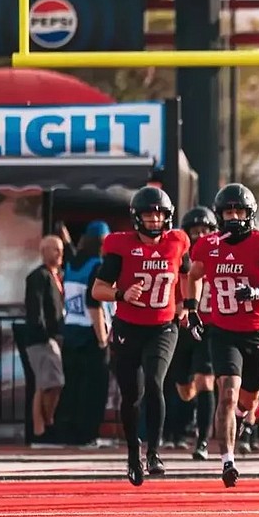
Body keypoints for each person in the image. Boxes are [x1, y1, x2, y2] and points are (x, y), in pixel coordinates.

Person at [186, 183, 259, 488]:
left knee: (247, 400)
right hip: (223, 331)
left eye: (239, 211)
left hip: (255, 331)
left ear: (249, 214)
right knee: (228, 394)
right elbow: (192, 276)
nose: (233, 216)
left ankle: (246, 420)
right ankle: (227, 460)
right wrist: (191, 309)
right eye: (228, 211)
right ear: (219, 215)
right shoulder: (208, 246)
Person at [92, 187, 192, 486]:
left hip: (163, 327)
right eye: (148, 214)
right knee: (131, 396)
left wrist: (187, 305)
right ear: (137, 217)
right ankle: (134, 453)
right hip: (128, 327)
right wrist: (122, 293)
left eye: (159, 214)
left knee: (154, 382)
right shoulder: (120, 246)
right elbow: (98, 289)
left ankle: (154, 452)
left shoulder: (177, 242)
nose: (154, 219)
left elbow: (187, 274)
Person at [168, 207, 219, 461]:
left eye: (205, 231)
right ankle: (177, 431)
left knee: (204, 381)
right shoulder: (177, 256)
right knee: (184, 389)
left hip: (207, 325)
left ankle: (202, 441)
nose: (200, 235)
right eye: (195, 231)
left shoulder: (219, 254)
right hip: (182, 327)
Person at [57, 221, 112, 447]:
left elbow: (69, 248)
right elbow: (95, 304)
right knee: (95, 388)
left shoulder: (71, 264)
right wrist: (102, 339)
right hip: (92, 333)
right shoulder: (98, 267)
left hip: (71, 332)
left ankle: (70, 432)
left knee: (73, 386)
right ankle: (88, 434)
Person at [23, 236, 67, 440]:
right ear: (44, 251)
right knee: (50, 382)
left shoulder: (57, 276)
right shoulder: (38, 277)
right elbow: (35, 309)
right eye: (55, 249)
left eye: (61, 249)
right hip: (42, 339)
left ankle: (41, 428)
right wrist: (45, 334)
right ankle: (44, 427)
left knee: (46, 383)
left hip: (51, 336)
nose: (60, 254)